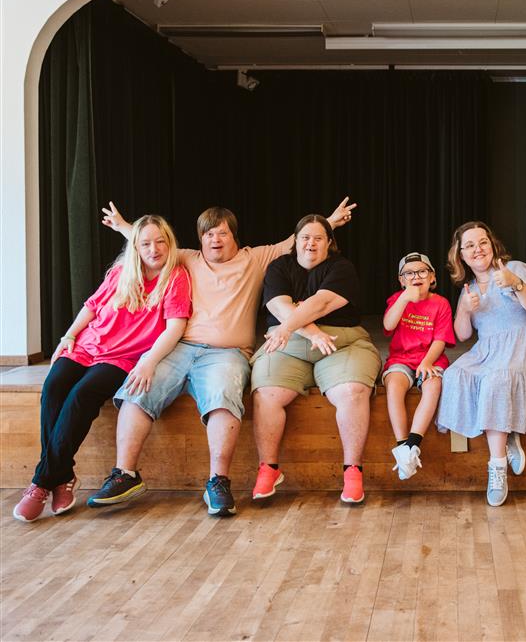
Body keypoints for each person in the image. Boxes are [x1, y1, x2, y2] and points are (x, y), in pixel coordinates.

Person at [88, 198, 355, 516]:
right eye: (208, 234)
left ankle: (218, 481)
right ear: (200, 239)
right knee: (137, 387)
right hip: (181, 348)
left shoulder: (255, 259)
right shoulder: (187, 259)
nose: (215, 239)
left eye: (222, 233)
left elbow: (298, 239)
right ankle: (125, 474)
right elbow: (153, 244)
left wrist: (330, 222)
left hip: (227, 353)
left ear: (234, 236)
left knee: (223, 397)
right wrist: (123, 228)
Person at [14, 215, 190, 522]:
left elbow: (175, 327)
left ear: (170, 243)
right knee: (54, 387)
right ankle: (61, 475)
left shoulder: (175, 277)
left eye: (160, 241)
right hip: (86, 345)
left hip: (122, 357)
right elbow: (91, 307)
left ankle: (40, 482)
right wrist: (68, 336)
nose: (154, 249)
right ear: (135, 246)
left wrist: (148, 362)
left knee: (82, 395)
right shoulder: (122, 271)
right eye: (146, 243)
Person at [249, 215, 381, 504]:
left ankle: (352, 471)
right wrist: (308, 333)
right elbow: (281, 307)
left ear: (329, 243)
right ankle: (269, 468)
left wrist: (288, 326)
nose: (310, 243)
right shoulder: (278, 267)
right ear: (295, 241)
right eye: (305, 237)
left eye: (318, 238)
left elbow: (319, 304)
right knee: (267, 392)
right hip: (290, 343)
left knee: (351, 391)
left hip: (340, 341)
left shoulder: (341, 267)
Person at [436, 221, 526, 506]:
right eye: (469, 246)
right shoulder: (468, 288)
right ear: (461, 256)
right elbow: (463, 334)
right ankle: (509, 434)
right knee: (455, 375)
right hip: (490, 349)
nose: (477, 249)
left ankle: (497, 467)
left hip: (525, 345)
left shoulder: (515, 268)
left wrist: (515, 284)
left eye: (482, 242)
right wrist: (465, 311)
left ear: (492, 245)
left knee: (497, 379)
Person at [382, 252, 456, 480]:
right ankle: (402, 446)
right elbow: (388, 325)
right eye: (409, 273)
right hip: (401, 359)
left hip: (430, 359)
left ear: (432, 277)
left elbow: (440, 340)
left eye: (422, 271)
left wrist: (426, 361)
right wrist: (404, 299)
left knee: (433, 386)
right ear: (402, 280)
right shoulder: (397, 299)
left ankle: (414, 443)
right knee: (394, 385)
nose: (416, 276)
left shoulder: (440, 303)